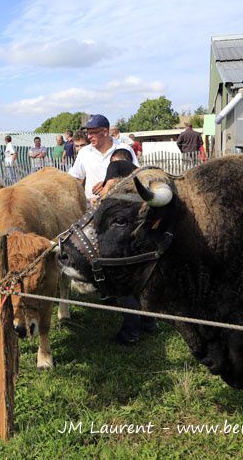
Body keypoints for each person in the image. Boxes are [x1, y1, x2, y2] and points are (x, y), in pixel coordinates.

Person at [94, 148, 156, 345]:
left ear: (117, 160)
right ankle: (148, 323)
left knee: (125, 283)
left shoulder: (117, 165)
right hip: (145, 235)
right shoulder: (144, 175)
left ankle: (130, 332)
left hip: (123, 235)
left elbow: (110, 189)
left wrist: (100, 196)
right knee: (142, 280)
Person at [69, 114, 137, 204]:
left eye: (92, 133)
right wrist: (84, 201)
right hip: (92, 208)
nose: (89, 137)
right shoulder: (84, 152)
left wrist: (108, 184)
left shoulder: (125, 149)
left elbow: (137, 177)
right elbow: (76, 180)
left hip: (120, 206)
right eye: (88, 133)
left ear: (105, 132)